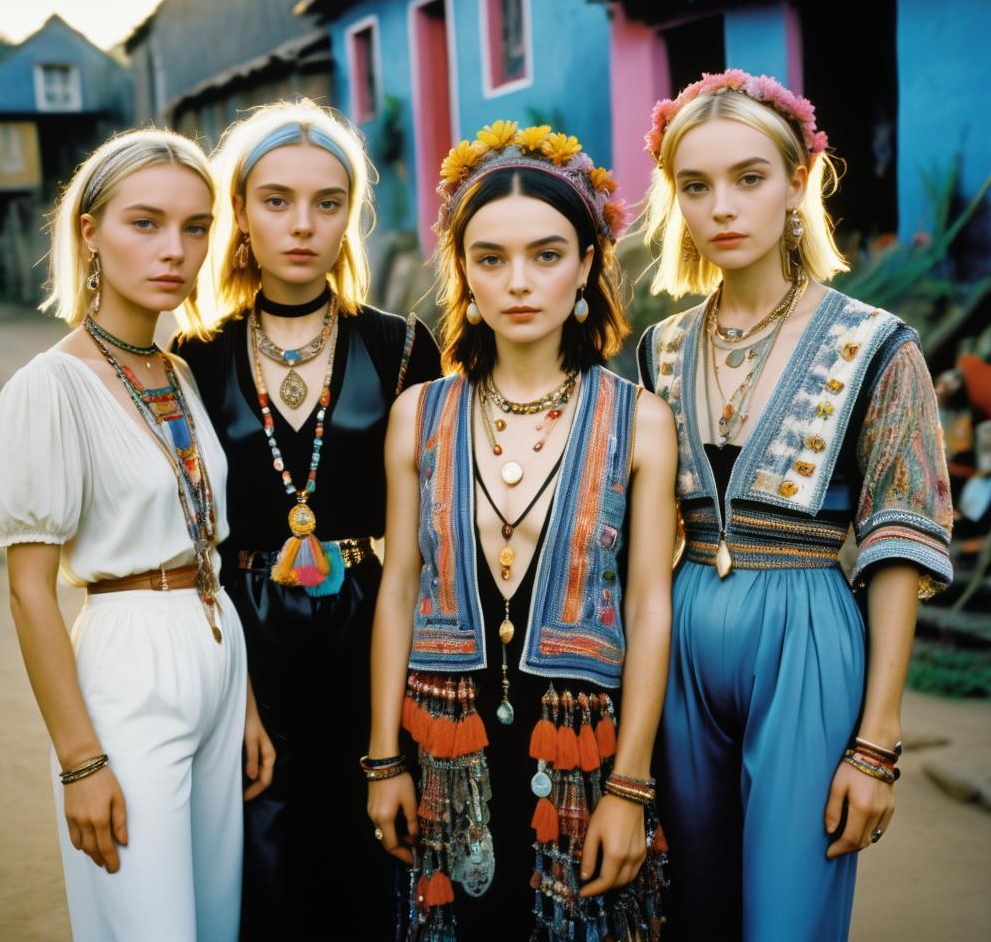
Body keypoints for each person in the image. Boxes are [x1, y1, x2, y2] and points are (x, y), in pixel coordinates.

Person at [637, 70, 953, 940]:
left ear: (799, 182)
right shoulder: (656, 351)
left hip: (808, 629)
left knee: (786, 918)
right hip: (682, 634)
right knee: (689, 911)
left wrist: (876, 746)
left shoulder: (878, 346)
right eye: (694, 186)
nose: (722, 207)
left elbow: (898, 544)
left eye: (749, 177)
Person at [366, 121, 676, 941]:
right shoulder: (417, 416)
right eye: (491, 258)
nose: (519, 282)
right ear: (463, 271)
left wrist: (632, 785)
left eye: (546, 254)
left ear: (585, 265)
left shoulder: (639, 421)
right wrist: (383, 760)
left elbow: (648, 607)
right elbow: (398, 588)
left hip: (584, 750)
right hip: (443, 743)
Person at [0, 129, 273, 942]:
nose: (174, 250)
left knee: (215, 923)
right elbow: (28, 589)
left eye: (195, 226)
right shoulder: (52, 387)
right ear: (89, 232)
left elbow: (204, 549)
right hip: (128, 664)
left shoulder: (178, 370)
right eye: (144, 223)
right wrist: (81, 761)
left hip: (216, 657)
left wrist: (240, 701)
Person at [174, 100, 441, 941]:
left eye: (328, 202)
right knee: (262, 859)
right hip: (242, 639)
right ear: (240, 213)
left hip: (372, 628)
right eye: (276, 200)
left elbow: (433, 528)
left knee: (372, 856)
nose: (302, 224)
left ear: (350, 215)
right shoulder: (194, 352)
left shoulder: (403, 347)